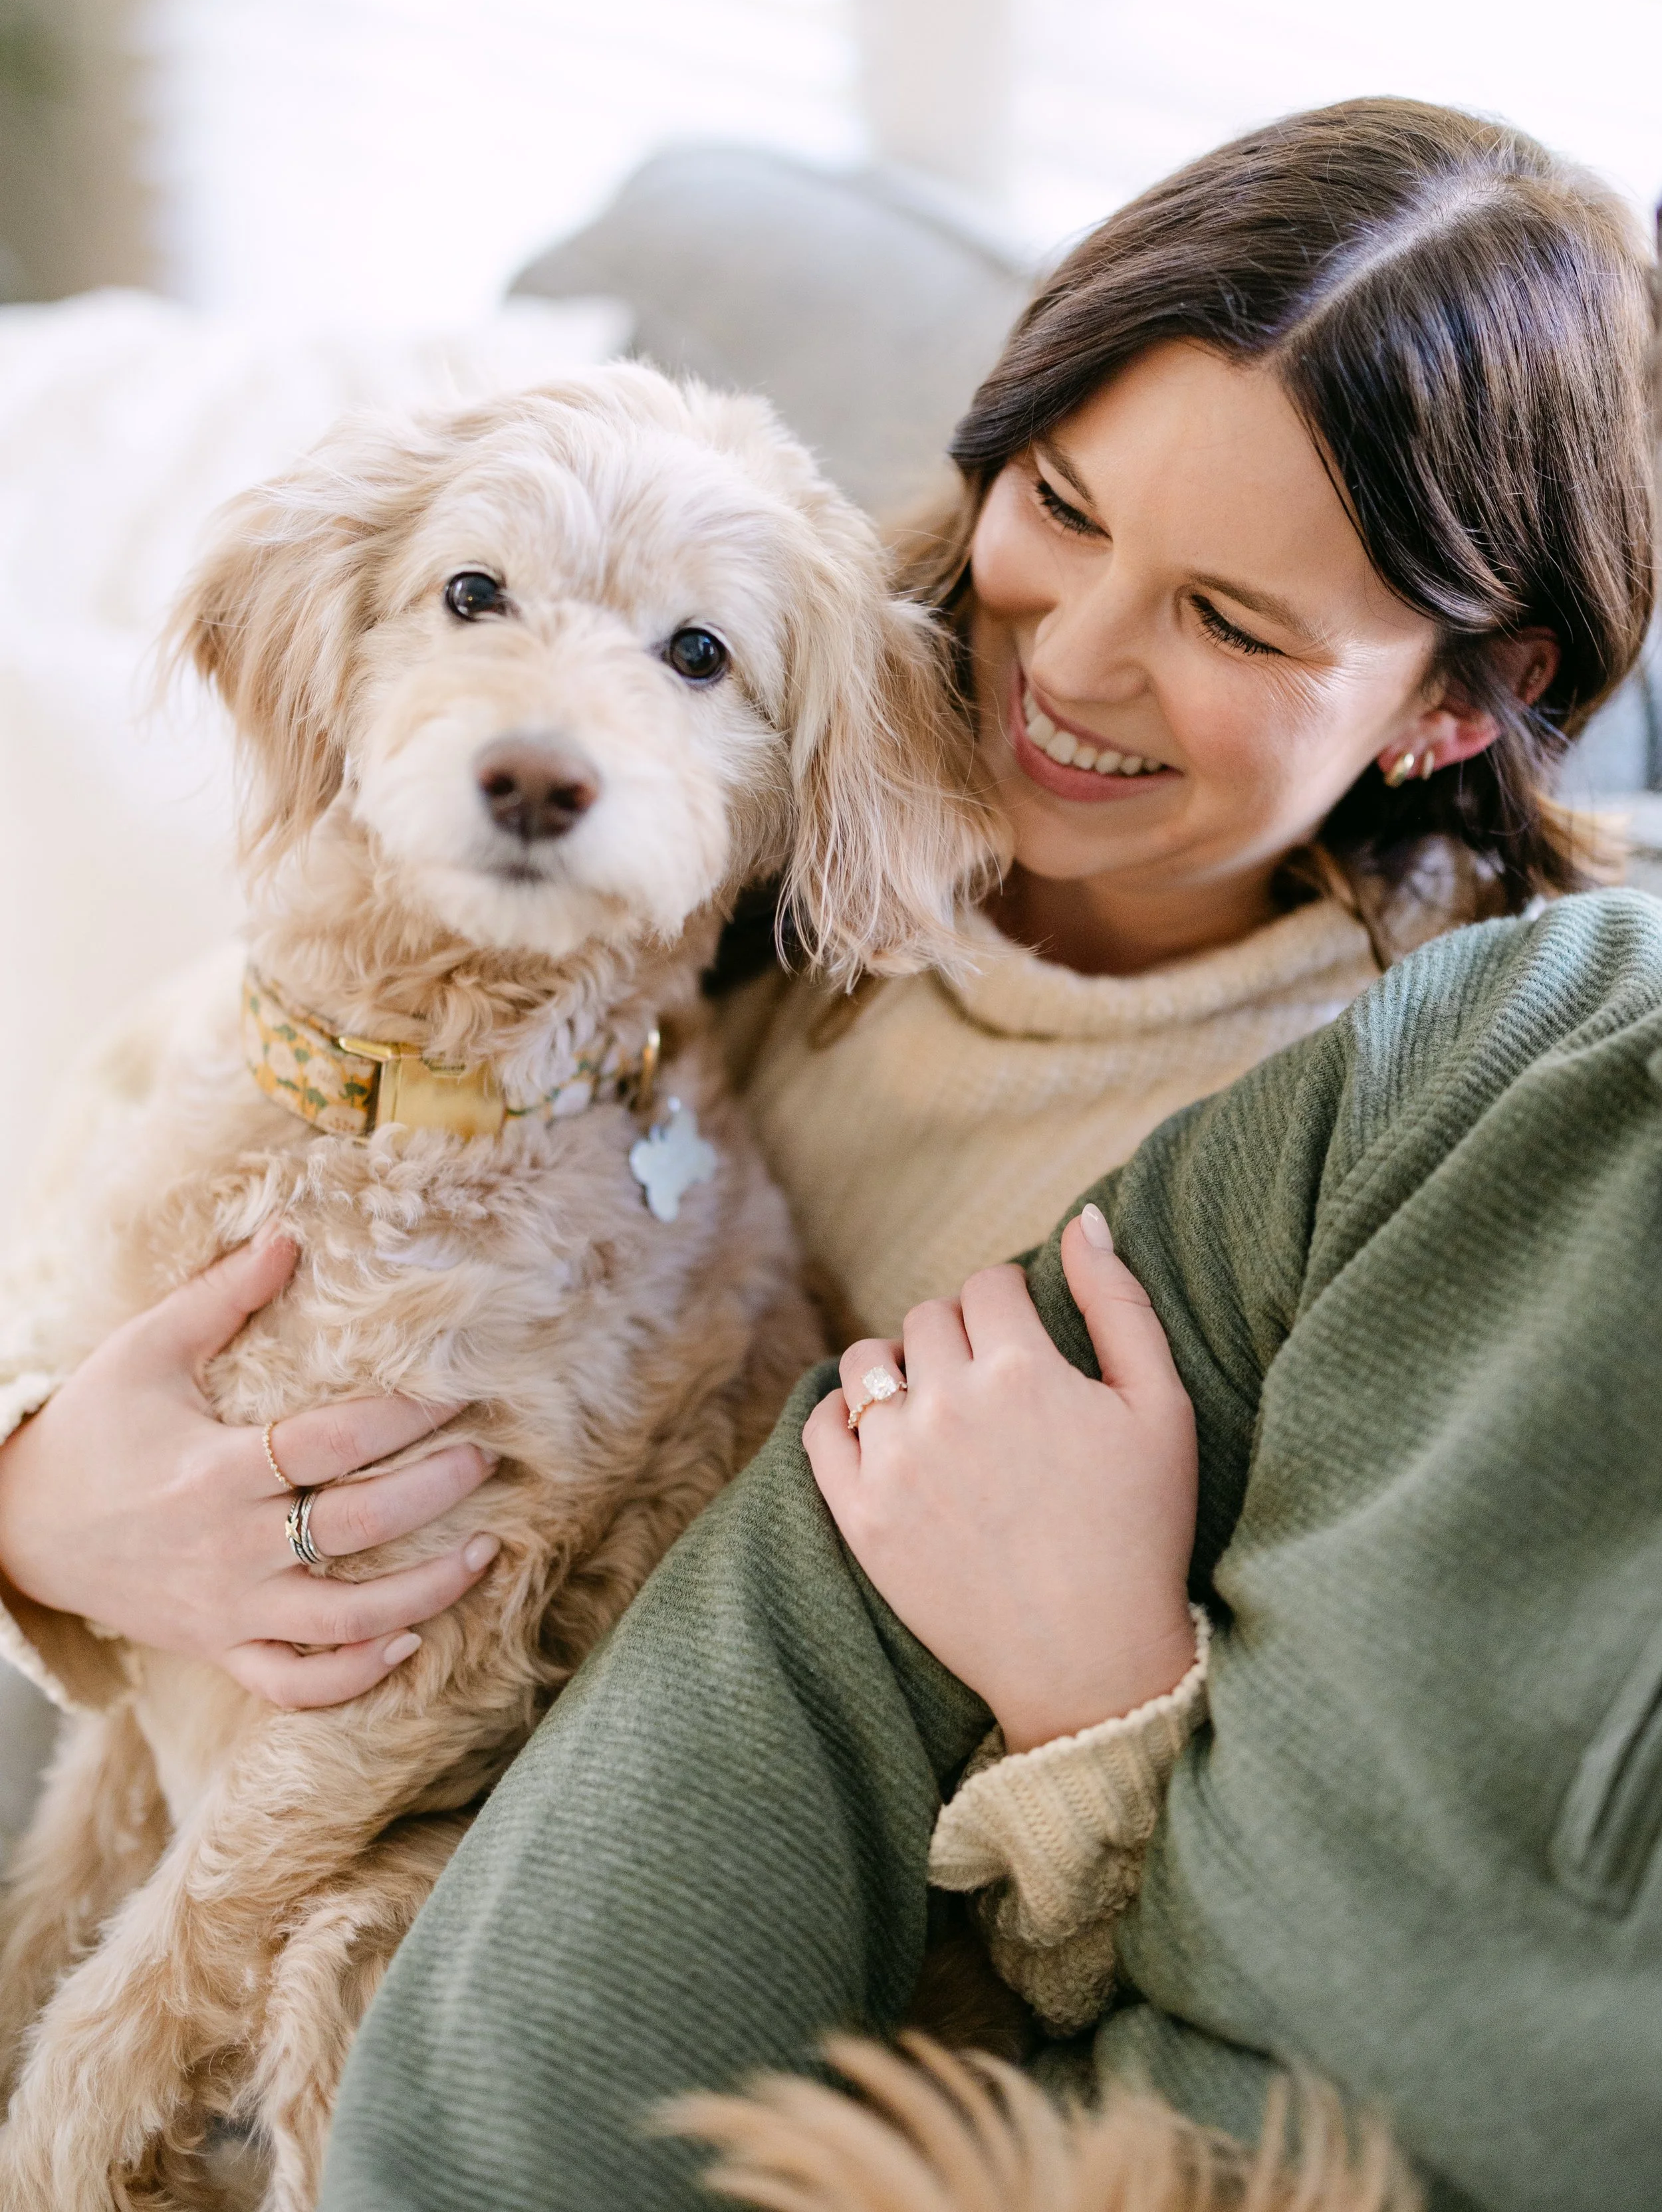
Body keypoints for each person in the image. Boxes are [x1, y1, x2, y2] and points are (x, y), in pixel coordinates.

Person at [0, 98, 1649, 1721]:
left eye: (1226, 622)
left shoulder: (1419, 1141)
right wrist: (41, 1505)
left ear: (1462, 698)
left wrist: (1093, 1679)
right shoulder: (761, 706)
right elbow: (202, 1088)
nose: (1064, 665)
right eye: (1063, 508)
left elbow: (1351, 1862)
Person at [316, 887, 1662, 2212]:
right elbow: (825, 1584)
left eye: (1246, 642)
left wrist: (1102, 1746)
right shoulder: (1520, 1043)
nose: (1072, 661)